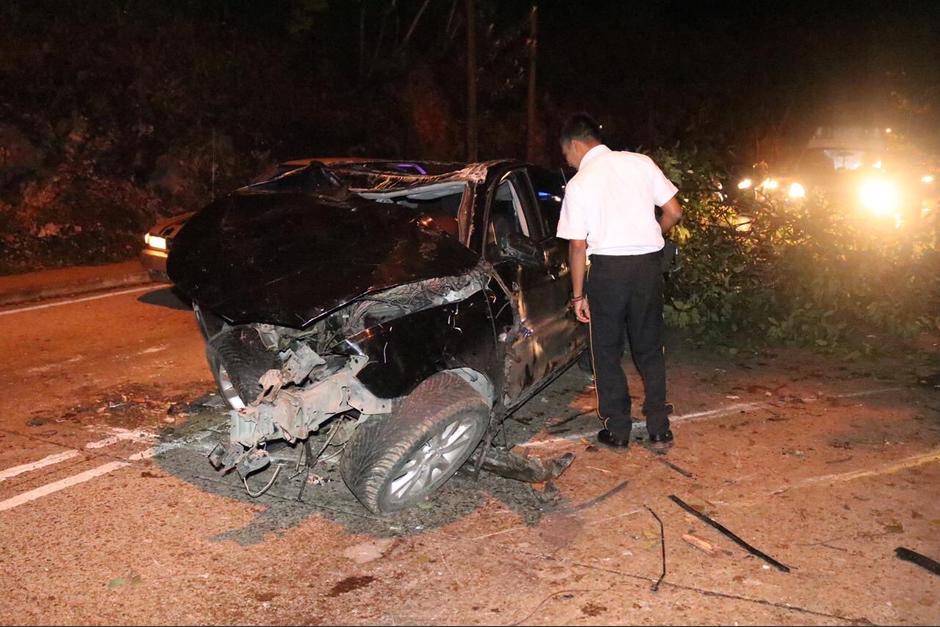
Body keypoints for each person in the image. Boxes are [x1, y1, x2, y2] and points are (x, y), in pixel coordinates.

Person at [556, 113, 683, 452]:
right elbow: (674, 211)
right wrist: (653, 235)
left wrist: (578, 295)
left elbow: (578, 245)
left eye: (566, 155)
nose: (568, 162)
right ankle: (659, 427)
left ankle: (618, 430)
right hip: (647, 269)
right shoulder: (640, 163)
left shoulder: (580, 183)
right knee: (650, 349)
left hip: (608, 273)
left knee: (607, 352)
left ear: (576, 145)